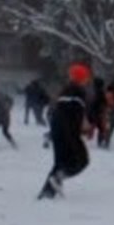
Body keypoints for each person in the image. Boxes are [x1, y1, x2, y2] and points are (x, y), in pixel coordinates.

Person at [38, 64, 94, 199]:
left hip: (57, 128)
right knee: (82, 160)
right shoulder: (77, 92)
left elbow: (60, 111)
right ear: (81, 78)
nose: (87, 80)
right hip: (68, 130)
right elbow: (73, 114)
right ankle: (58, 178)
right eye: (85, 77)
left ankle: (47, 193)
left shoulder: (66, 90)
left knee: (60, 162)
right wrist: (79, 131)